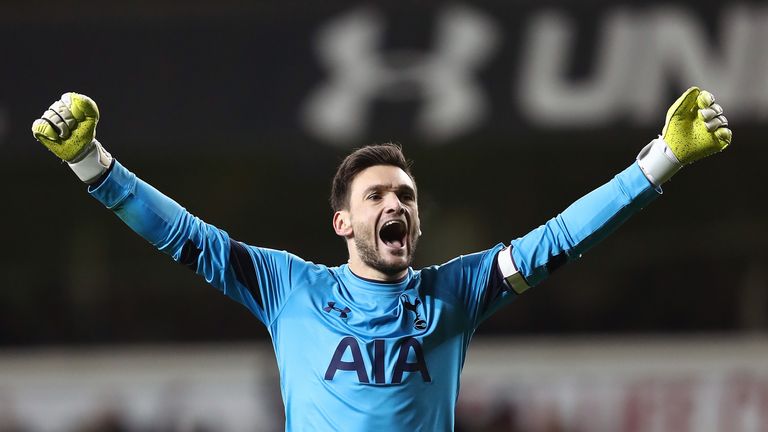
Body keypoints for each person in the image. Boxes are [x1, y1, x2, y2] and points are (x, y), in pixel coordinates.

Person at [31, 88, 731, 431]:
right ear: (344, 222)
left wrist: (660, 162)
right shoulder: (288, 288)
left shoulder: (455, 294)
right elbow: (185, 237)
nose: (394, 203)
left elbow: (558, 239)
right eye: (376, 196)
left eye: (406, 195)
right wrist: (95, 164)